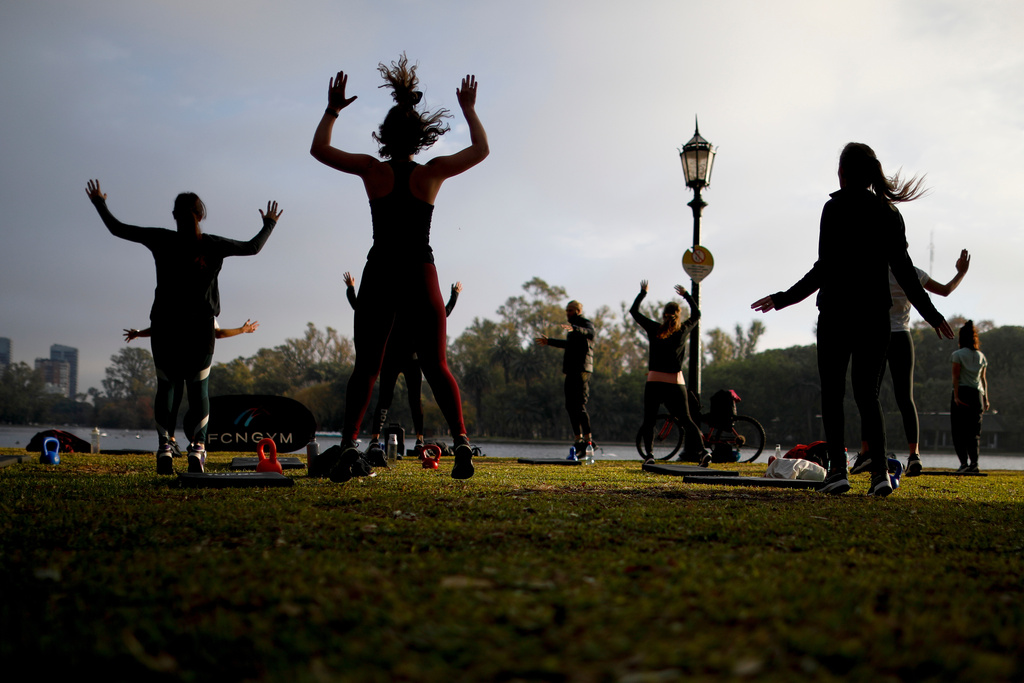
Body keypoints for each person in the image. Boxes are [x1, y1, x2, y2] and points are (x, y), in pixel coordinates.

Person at [309, 54, 488, 481]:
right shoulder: (432, 174)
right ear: (421, 135)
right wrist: (469, 110)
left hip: (381, 270)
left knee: (367, 367)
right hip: (421, 271)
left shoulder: (372, 170)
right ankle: (461, 441)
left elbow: (319, 149)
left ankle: (351, 445)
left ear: (385, 135)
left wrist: (332, 110)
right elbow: (481, 150)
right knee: (437, 365)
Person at [751, 142, 953, 497]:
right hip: (876, 317)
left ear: (843, 173)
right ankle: (878, 474)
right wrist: (932, 314)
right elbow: (905, 272)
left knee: (833, 393)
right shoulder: (889, 214)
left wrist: (783, 299)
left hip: (837, 315)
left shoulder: (834, 208)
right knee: (868, 396)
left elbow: (823, 269)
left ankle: (838, 473)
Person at [86, 179, 281, 475]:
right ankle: (197, 449)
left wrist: (99, 202)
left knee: (166, 385)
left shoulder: (161, 239)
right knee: (198, 387)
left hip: (165, 324)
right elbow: (253, 247)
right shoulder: (213, 245)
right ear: (200, 215)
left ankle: (164, 447)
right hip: (199, 327)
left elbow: (117, 229)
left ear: (174, 216)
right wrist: (269, 223)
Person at [850, 249, 970, 477]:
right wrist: (961, 273)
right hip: (901, 337)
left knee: (868, 397)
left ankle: (866, 452)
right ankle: (914, 456)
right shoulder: (911, 271)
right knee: (906, 398)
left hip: (875, 336)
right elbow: (944, 291)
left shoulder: (868, 271)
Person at [344, 271, 462, 459]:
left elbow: (359, 307)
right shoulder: (401, 307)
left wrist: (350, 288)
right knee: (393, 399)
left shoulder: (397, 307)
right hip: (402, 359)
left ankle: (413, 440)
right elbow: (443, 313)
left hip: (402, 360)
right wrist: (454, 295)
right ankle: (401, 440)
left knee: (404, 400)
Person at [630, 281, 710, 465]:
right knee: (687, 420)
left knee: (649, 420)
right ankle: (703, 451)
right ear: (678, 315)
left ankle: (649, 456)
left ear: (664, 314)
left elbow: (634, 312)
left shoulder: (654, 328)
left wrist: (643, 293)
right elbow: (697, 314)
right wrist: (687, 296)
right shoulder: (683, 330)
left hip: (655, 380)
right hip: (676, 381)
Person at [535, 300, 596, 453]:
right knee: (570, 405)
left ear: (578, 311)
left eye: (571, 310)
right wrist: (549, 341)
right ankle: (578, 439)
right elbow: (568, 345)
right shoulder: (572, 331)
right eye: (567, 310)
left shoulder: (584, 324)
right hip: (571, 370)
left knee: (580, 405)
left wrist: (574, 328)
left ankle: (589, 441)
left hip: (582, 370)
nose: (568, 313)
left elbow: (590, 333)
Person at [951, 320, 989, 473]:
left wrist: (956, 396)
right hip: (977, 395)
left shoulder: (957, 355)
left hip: (963, 393)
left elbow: (956, 377)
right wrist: (986, 399)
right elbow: (983, 380)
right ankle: (974, 463)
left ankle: (964, 464)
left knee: (958, 431)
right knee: (974, 432)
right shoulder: (981, 356)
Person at [123, 318, 260, 343]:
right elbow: (218, 334)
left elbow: (158, 330)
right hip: (196, 362)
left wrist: (138, 333)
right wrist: (242, 330)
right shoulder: (204, 311)